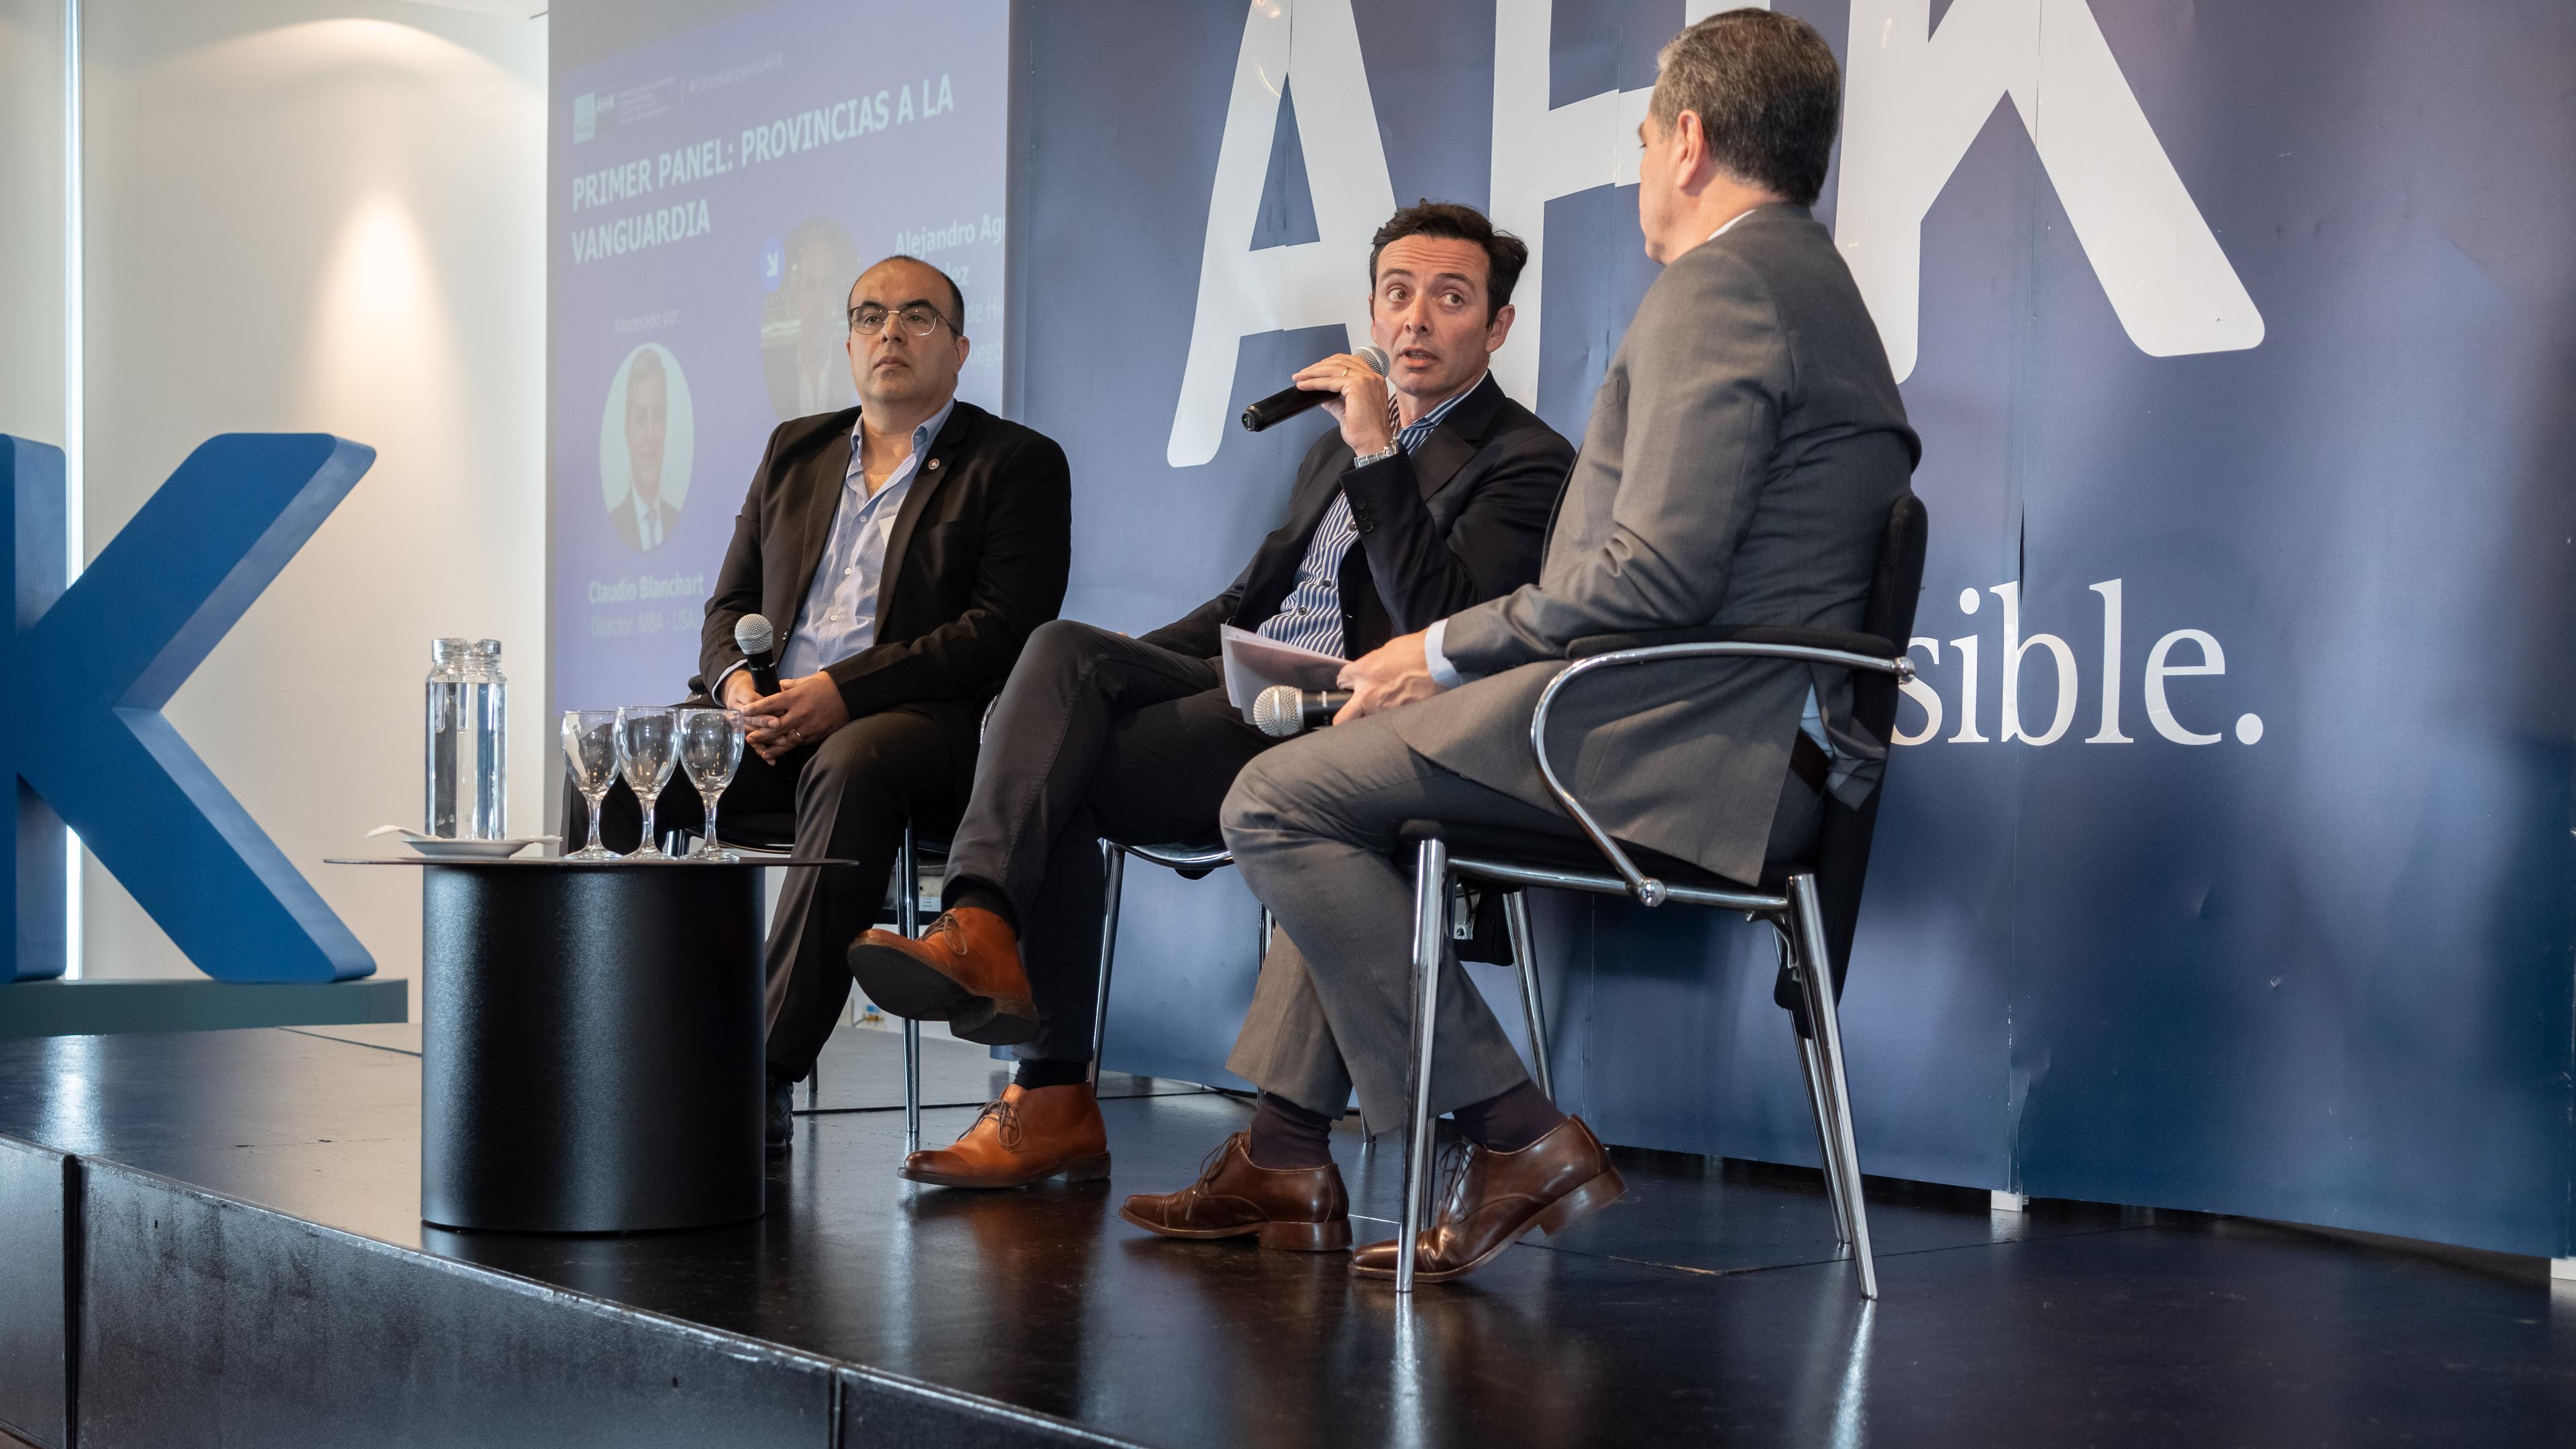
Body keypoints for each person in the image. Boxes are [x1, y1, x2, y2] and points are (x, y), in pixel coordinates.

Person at [1120, 9, 1921, 1280]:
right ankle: (1284, 1147)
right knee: (1350, 780)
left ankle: (1515, 1136)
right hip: (1733, 732)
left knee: (1276, 799)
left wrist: (1436, 652)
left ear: (1690, 141)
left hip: (1688, 744)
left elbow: (1653, 577)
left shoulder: (1723, 288)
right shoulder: (1809, 285)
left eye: (1645, 136)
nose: (1642, 162)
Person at [844, 202, 1575, 1189]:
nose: (1415, 320)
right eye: (1397, 295)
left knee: (1060, 773)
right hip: (1250, 680)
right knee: (1061, 661)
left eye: (1450, 299)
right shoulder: (1331, 450)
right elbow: (1246, 603)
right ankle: (978, 931)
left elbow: (1442, 630)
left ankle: (1048, 1089)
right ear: (1371, 310)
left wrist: (1379, 458)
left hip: (1349, 717)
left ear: (1497, 327)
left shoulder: (1523, 459)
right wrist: (1099, 681)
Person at [564, 254, 1072, 1154]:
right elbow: (727, 608)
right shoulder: (794, 450)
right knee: (610, 762)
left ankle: (762, 1071)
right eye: (870, 316)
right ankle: (603, 1046)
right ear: (846, 345)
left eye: (918, 316)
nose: (891, 332)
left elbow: (1002, 632)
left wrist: (843, 693)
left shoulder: (1016, 463)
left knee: (852, 761)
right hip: (766, 721)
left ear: (959, 349)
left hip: (921, 729)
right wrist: (738, 687)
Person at [612, 346, 682, 552]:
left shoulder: (676, 518)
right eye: (641, 418)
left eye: (658, 415)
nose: (650, 435)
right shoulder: (615, 523)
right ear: (627, 429)